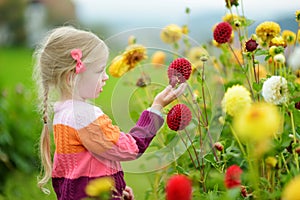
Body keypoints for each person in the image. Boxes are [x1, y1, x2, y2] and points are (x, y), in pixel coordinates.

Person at [33, 26, 187, 200]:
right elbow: (130, 148)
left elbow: (80, 171)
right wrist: (156, 108)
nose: (105, 77)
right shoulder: (84, 116)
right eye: (99, 71)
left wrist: (116, 186)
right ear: (72, 77)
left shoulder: (63, 113)